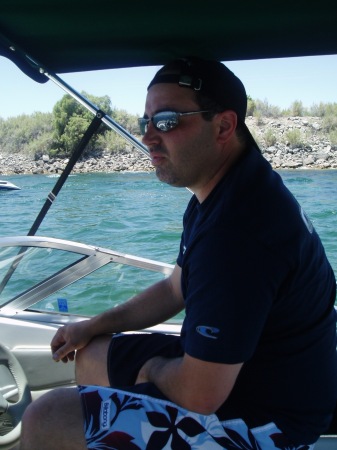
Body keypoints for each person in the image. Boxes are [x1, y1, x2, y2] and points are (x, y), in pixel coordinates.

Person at [20, 57, 337, 449]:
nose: (150, 136)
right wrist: (94, 325)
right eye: (145, 122)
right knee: (92, 353)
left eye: (167, 121)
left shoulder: (238, 232)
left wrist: (151, 368)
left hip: (266, 423)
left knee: (45, 420)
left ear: (223, 126)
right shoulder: (223, 190)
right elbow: (176, 288)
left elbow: (200, 395)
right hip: (241, 375)